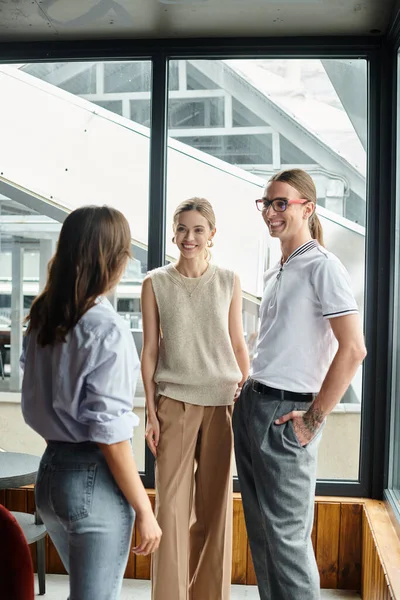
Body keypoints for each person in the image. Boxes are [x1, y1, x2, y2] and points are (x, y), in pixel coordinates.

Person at [233, 169, 367, 600]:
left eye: (280, 203)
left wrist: (312, 421)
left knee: (288, 545)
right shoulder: (278, 269)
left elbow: (353, 349)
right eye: (266, 203)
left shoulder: (323, 266)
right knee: (263, 538)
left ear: (307, 207)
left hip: (288, 417)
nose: (271, 212)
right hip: (254, 404)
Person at [20, 205, 162, 600]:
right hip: (92, 480)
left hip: (49, 475)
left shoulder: (43, 317)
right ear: (113, 261)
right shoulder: (106, 327)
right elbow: (111, 437)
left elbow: (33, 403)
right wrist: (145, 512)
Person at [141, 197, 249, 600]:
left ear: (212, 235)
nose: (189, 237)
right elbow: (150, 350)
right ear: (173, 233)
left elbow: (238, 342)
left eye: (198, 229)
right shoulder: (154, 282)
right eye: (182, 229)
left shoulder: (229, 280)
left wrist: (245, 394)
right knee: (169, 508)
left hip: (223, 402)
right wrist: (150, 411)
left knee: (214, 509)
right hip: (173, 402)